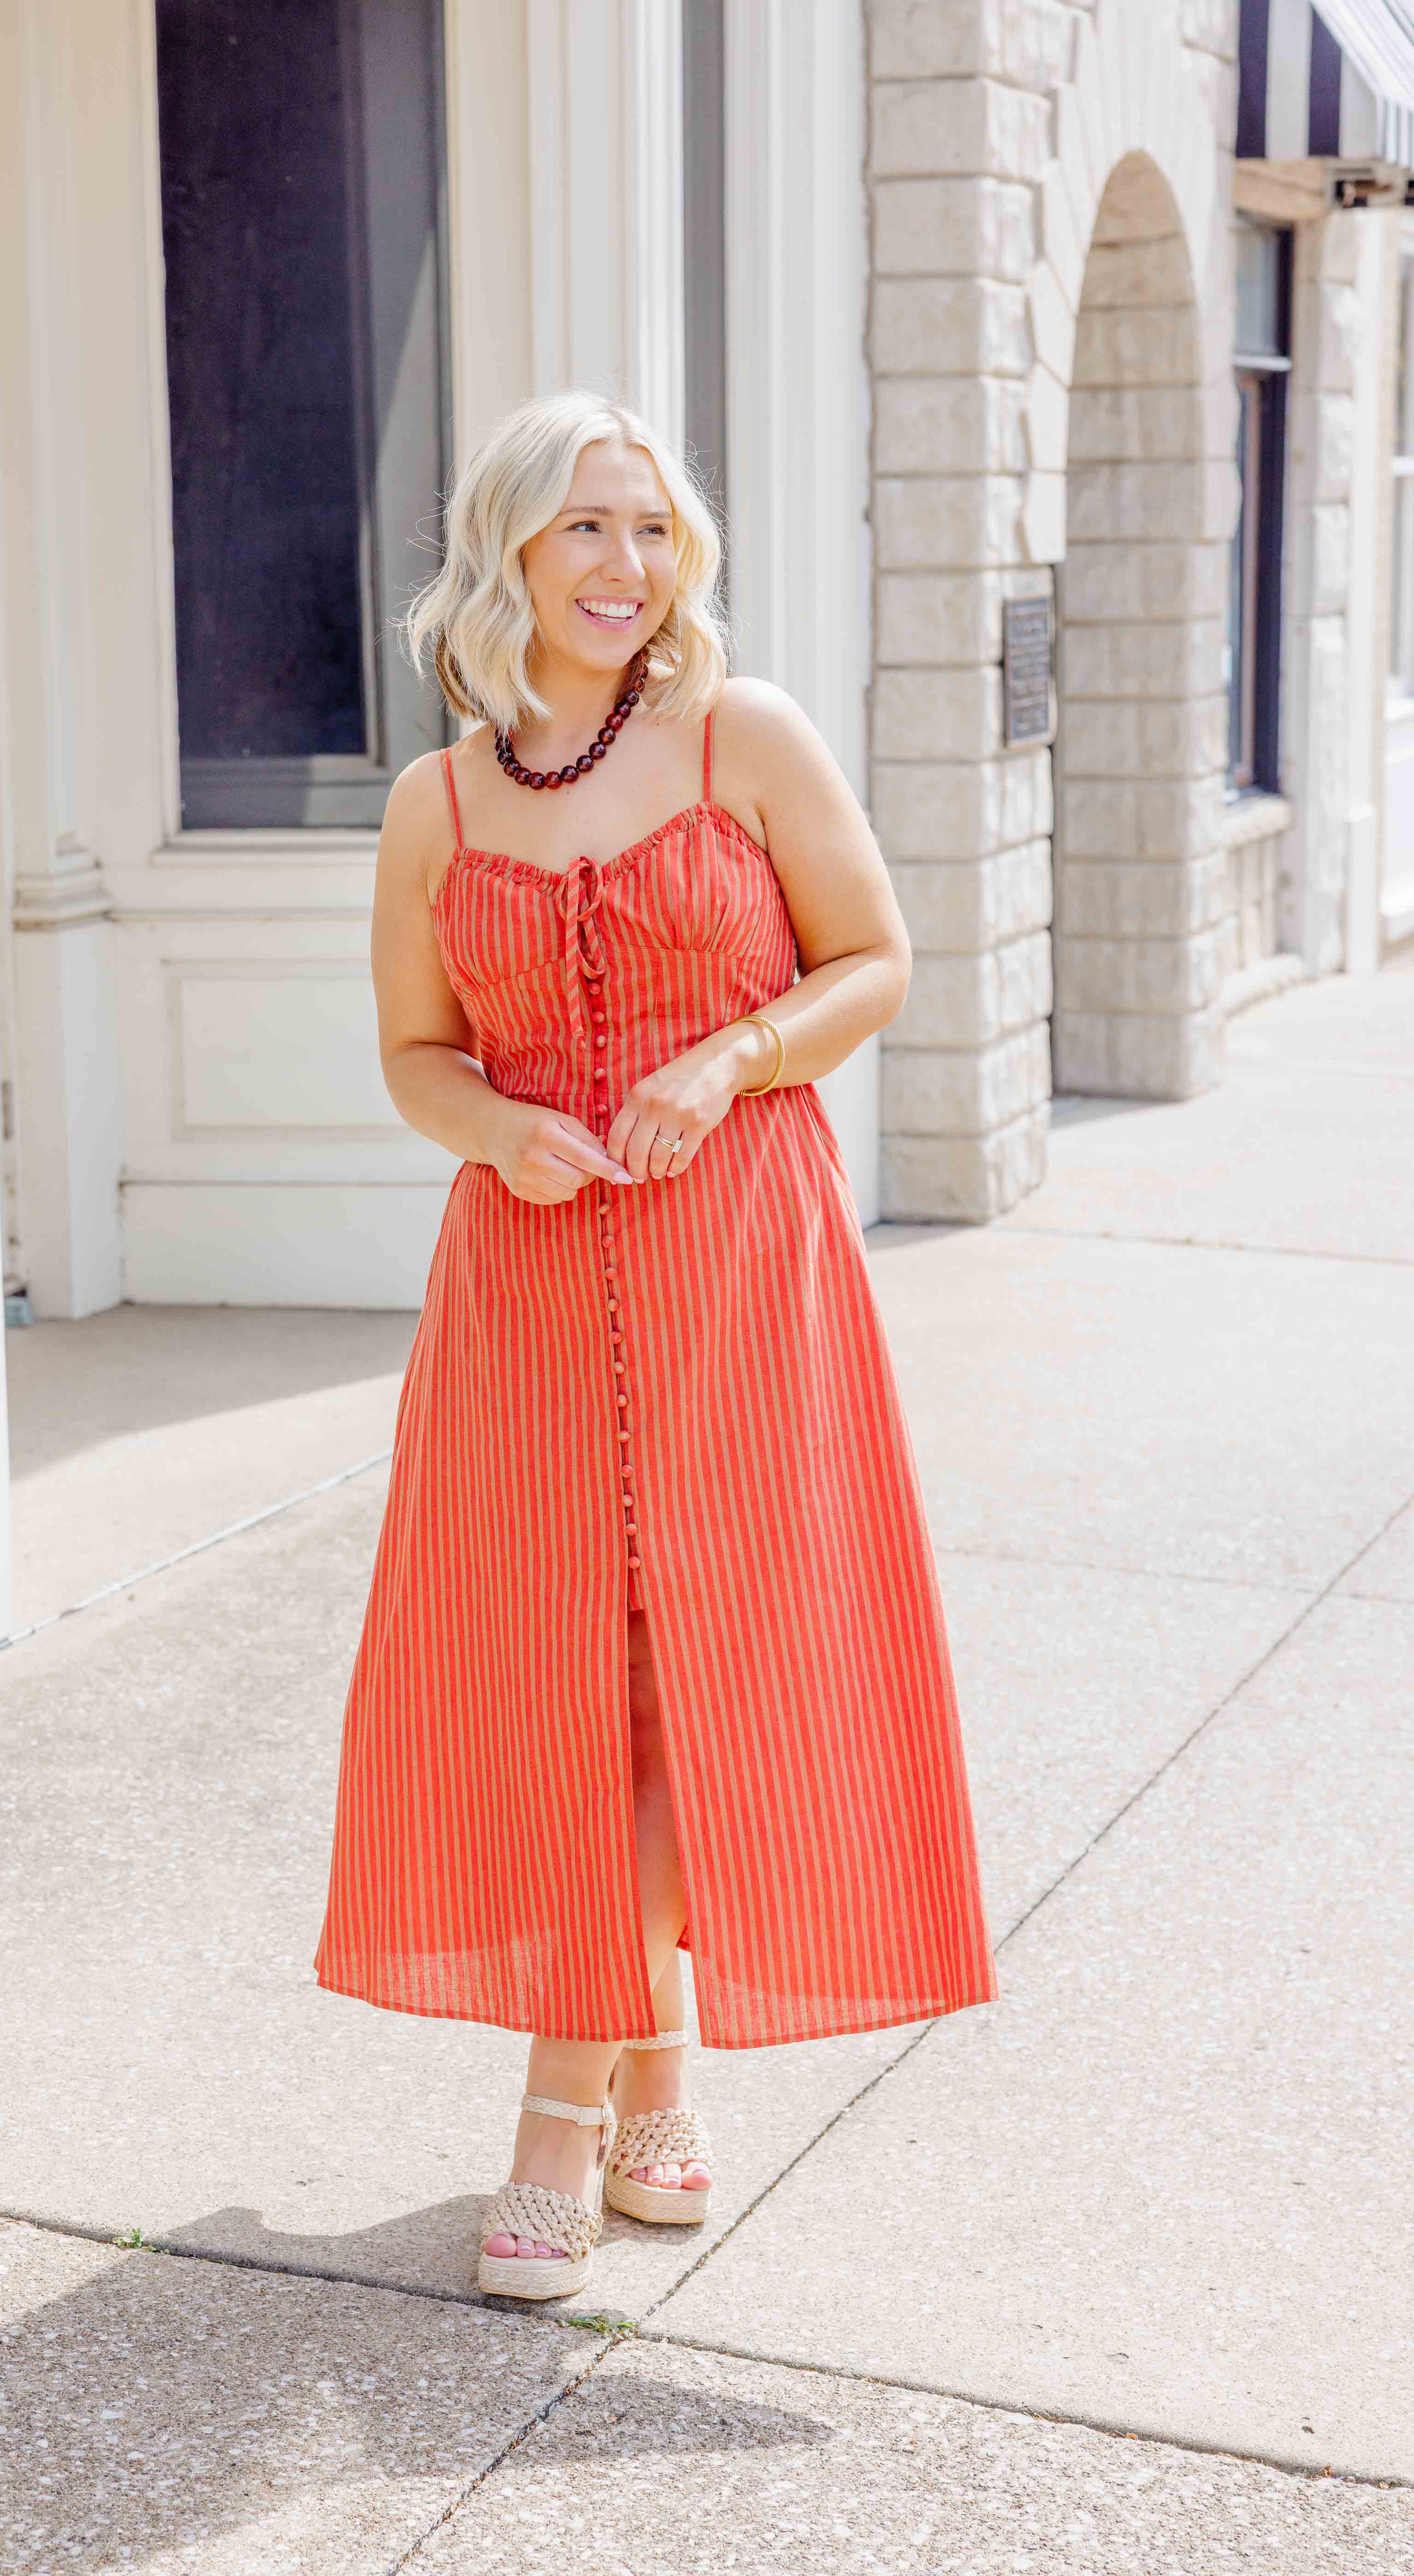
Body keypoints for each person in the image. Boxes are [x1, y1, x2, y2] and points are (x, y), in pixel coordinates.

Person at [313, 388, 998, 2302]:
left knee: (721, 1667)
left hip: (737, 1270)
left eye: (651, 529)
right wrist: (493, 1128)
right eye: (583, 532)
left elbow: (871, 958)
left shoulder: (739, 734)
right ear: (505, 557)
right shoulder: (433, 805)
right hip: (524, 1295)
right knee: (561, 1683)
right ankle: (649, 2073)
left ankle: (561, 2110)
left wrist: (730, 1052)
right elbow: (413, 1054)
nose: (626, 568)